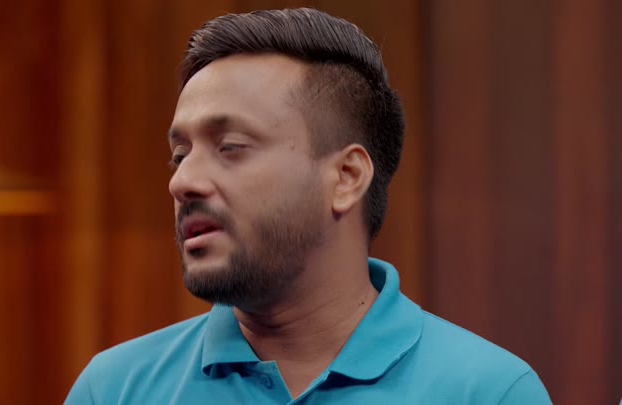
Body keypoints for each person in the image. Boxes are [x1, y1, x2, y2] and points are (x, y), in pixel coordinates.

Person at [66, 8, 551, 404]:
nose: (182, 182)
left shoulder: (487, 392)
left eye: (230, 147)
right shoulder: (115, 390)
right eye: (179, 155)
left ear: (346, 177)